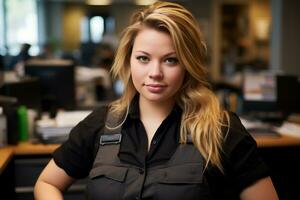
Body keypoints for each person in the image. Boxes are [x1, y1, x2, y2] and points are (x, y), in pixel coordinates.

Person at [34, 1, 278, 200]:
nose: (155, 72)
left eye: (170, 60)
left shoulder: (222, 130)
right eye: (143, 58)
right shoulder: (100, 124)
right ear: (129, 60)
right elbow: (46, 183)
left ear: (188, 65)